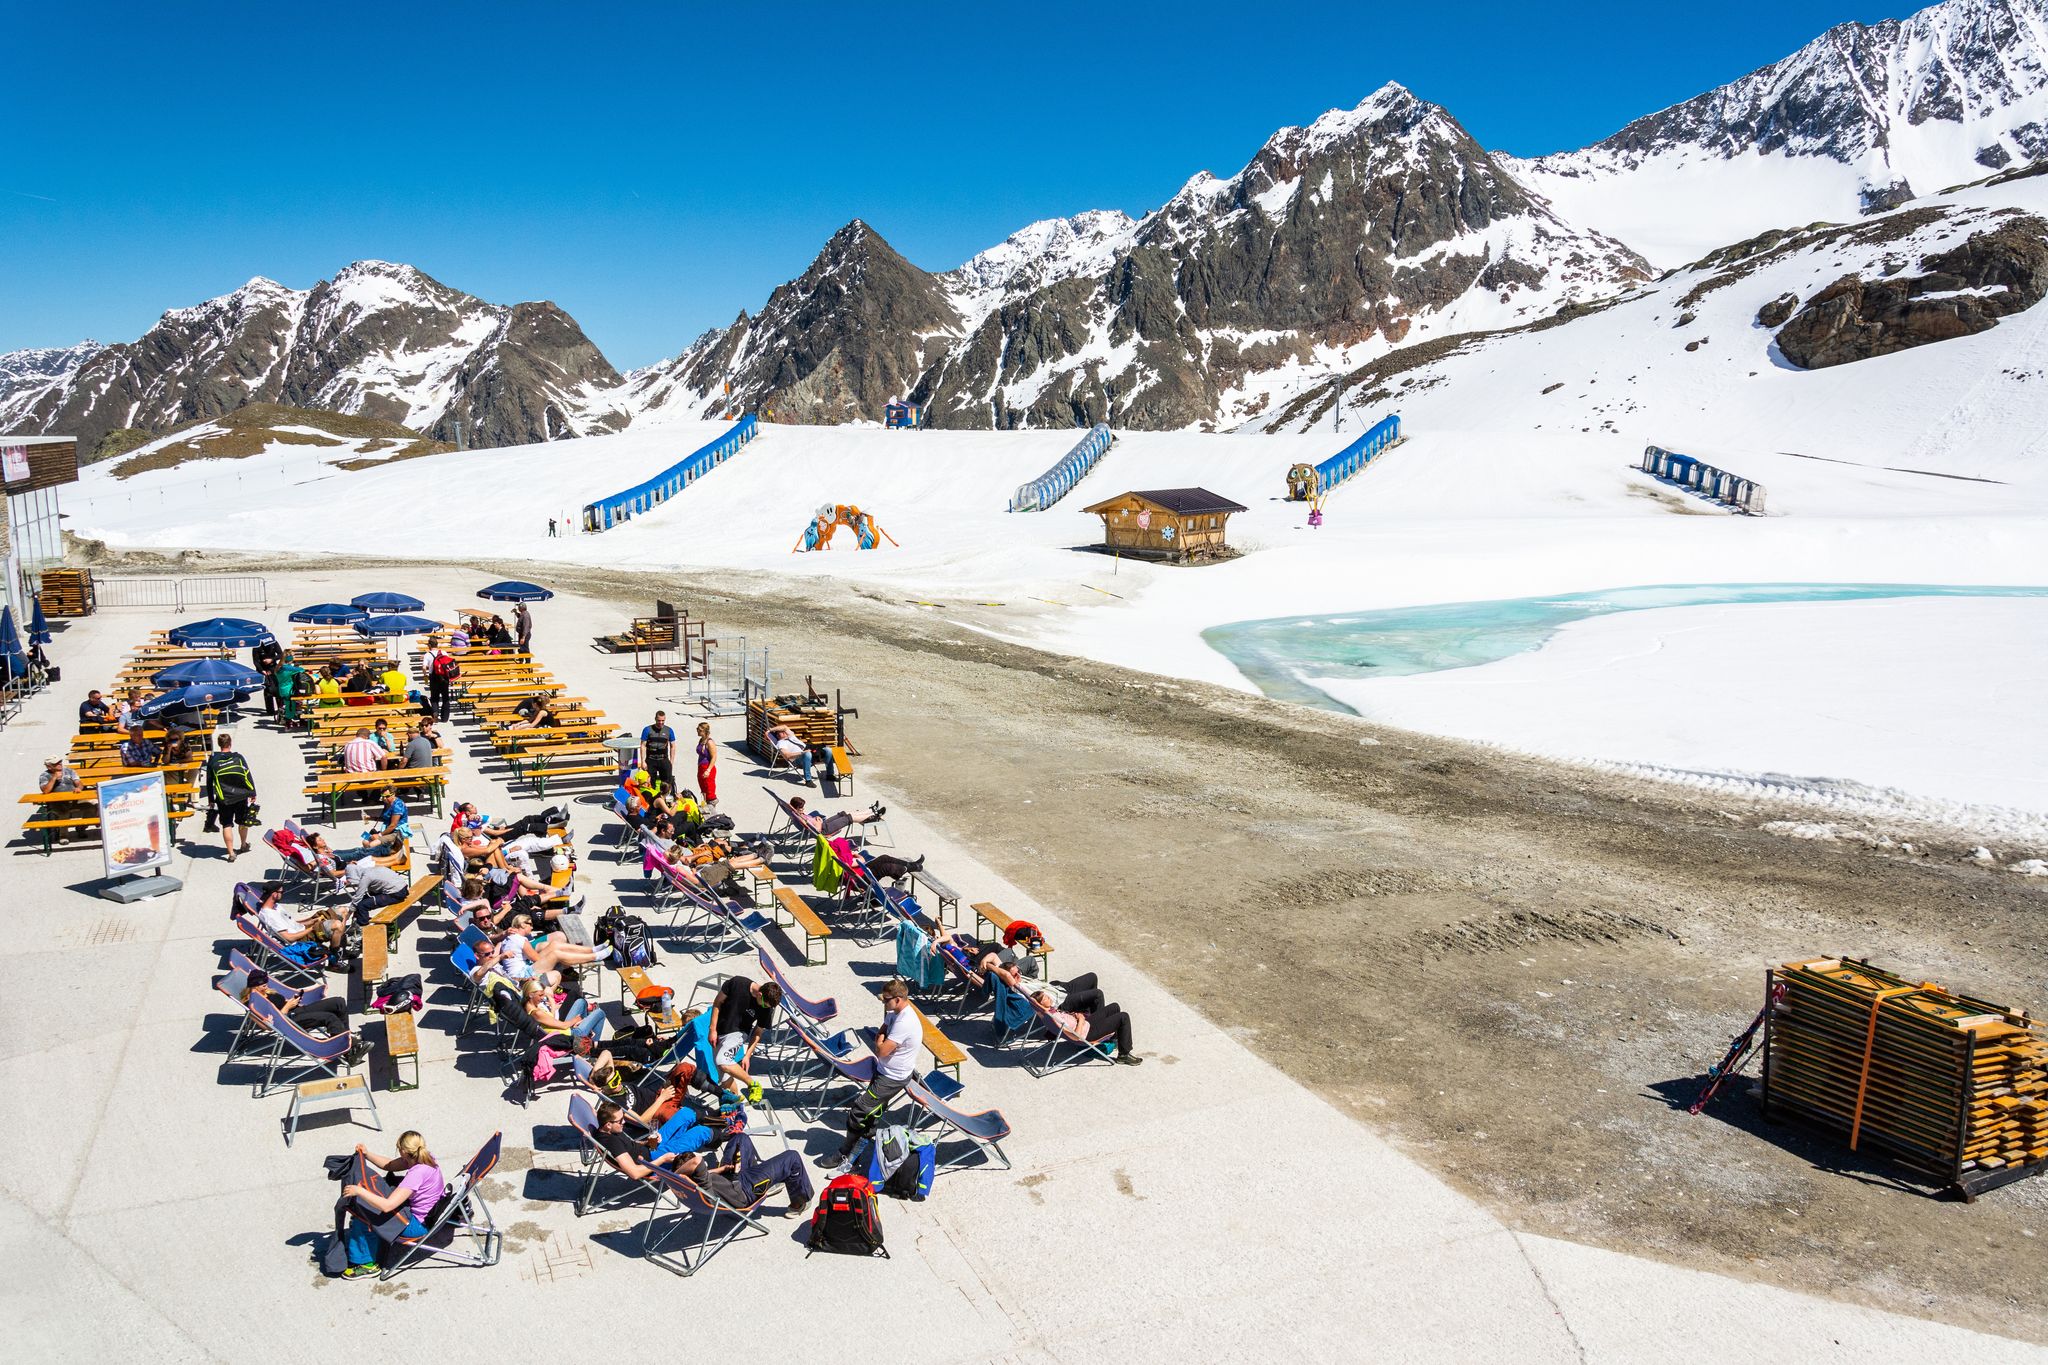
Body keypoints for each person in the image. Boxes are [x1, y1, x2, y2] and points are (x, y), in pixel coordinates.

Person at [830, 978, 921, 1167]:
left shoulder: (906, 1021)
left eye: (885, 999)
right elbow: (883, 1030)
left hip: (893, 1077)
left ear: (898, 999)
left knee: (858, 1111)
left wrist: (880, 1044)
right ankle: (860, 1149)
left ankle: (846, 1152)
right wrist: (881, 1041)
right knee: (873, 1113)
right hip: (884, 1070)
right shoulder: (893, 1011)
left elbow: (880, 1051)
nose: (883, 1002)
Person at [336, 1132, 445, 1279]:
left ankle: (366, 1265)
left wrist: (359, 1191)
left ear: (404, 1152)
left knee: (365, 1214)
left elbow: (387, 1206)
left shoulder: (416, 1174)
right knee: (373, 1200)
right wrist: (367, 1154)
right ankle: (364, 1246)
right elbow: (390, 1165)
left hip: (416, 1226)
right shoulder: (424, 1158)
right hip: (428, 1214)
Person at [675, 1129, 813, 1215]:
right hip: (744, 1192)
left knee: (740, 1137)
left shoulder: (690, 1182)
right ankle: (799, 1202)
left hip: (730, 1182)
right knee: (792, 1157)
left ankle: (766, 1178)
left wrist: (721, 1169)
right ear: (691, 1171)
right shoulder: (700, 1178)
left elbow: (697, 1166)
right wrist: (678, 1172)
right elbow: (697, 1161)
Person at [241, 968, 358, 1060]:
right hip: (289, 1022)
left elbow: (281, 1002)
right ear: (254, 985)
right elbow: (268, 1027)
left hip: (296, 1010)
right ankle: (346, 1048)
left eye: (266, 983)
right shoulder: (252, 1004)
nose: (266, 985)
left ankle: (347, 1038)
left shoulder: (266, 992)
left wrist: (292, 1001)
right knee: (330, 1018)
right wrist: (287, 1007)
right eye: (263, 984)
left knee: (339, 1002)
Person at [590, 1099, 717, 1177]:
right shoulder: (611, 1142)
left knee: (686, 1113)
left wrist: (648, 1142)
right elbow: (635, 1173)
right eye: (620, 1120)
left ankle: (719, 1125)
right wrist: (663, 1159)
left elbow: (631, 1145)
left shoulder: (610, 1129)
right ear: (608, 1125)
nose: (624, 1122)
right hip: (654, 1162)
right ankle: (723, 1134)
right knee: (701, 1132)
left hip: (651, 1148)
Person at [1033, 973, 1141, 1064]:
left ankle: (1115, 1041)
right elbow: (1076, 1036)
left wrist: (1075, 1016)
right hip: (1087, 1034)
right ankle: (1124, 1054)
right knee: (1123, 1017)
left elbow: (1035, 1005)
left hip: (1085, 1025)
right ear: (1041, 1004)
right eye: (1046, 998)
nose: (1049, 997)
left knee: (1114, 1007)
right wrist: (1081, 1019)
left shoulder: (1047, 1013)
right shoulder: (1054, 1017)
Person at [709, 975, 782, 1104]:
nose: (766, 1008)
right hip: (720, 1030)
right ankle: (735, 1106)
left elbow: (758, 1032)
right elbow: (717, 1002)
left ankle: (753, 1084)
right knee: (724, 1077)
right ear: (760, 994)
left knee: (722, 1061)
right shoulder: (737, 983)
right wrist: (712, 1029)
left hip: (738, 1034)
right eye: (765, 1005)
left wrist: (748, 1055)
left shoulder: (766, 1009)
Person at [253, 880, 346, 959]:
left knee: (342, 911)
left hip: (304, 928)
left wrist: (310, 921)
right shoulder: (270, 916)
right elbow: (289, 938)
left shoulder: (275, 906)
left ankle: (340, 947)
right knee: (337, 926)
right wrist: (312, 928)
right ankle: (334, 958)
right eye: (281, 892)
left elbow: (291, 923)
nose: (282, 894)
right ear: (274, 894)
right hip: (302, 939)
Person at [205, 733, 258, 862]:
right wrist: (252, 792)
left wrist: (211, 800)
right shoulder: (238, 757)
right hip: (240, 795)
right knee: (242, 821)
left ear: (219, 744)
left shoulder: (213, 761)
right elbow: (247, 774)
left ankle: (231, 853)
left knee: (227, 824)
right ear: (230, 743)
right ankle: (243, 845)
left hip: (224, 798)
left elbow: (209, 781)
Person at [37, 755, 90, 836]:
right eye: (56, 763)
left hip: (74, 799)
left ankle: (81, 827)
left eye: (60, 762)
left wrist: (79, 788)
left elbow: (79, 783)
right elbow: (45, 790)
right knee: (63, 813)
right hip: (57, 802)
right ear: (49, 766)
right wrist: (54, 778)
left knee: (92, 807)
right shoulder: (44, 776)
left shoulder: (69, 771)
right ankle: (63, 835)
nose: (59, 764)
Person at [788, 795, 886, 838]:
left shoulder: (795, 813)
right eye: (801, 808)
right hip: (824, 830)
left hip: (822, 824)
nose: (803, 809)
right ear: (795, 808)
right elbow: (816, 831)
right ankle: (874, 815)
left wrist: (816, 819)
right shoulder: (800, 818)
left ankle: (871, 810)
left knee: (843, 813)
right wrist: (818, 822)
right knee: (849, 818)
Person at [344, 858, 410, 921]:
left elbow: (358, 897)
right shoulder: (369, 870)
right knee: (364, 900)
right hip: (402, 888)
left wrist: (349, 914)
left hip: (397, 894)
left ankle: (363, 925)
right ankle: (359, 919)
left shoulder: (366, 877)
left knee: (362, 905)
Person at [639, 711, 676, 796]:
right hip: (651, 759)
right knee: (650, 782)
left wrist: (671, 761)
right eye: (659, 720)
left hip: (663, 759)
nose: (661, 723)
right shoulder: (647, 730)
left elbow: (673, 746)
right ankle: (652, 800)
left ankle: (665, 799)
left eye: (663, 720)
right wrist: (643, 761)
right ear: (655, 719)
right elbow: (643, 745)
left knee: (667, 782)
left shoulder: (669, 730)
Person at [252, 637, 283, 715]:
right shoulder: (257, 645)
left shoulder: (273, 642)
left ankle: (280, 708)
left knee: (277, 688)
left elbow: (281, 654)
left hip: (273, 667)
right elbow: (255, 661)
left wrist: (272, 659)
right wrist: (262, 670)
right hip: (263, 668)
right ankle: (270, 710)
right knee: (268, 689)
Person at [426, 645, 458, 720]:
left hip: (433, 678)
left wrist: (425, 675)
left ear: (429, 645)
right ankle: (445, 718)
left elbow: (424, 667)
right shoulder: (444, 652)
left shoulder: (427, 654)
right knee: (445, 698)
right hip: (444, 678)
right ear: (437, 644)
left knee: (434, 698)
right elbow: (448, 664)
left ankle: (435, 713)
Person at [695, 721, 719, 804]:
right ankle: (706, 804)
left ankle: (712, 806)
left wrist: (708, 770)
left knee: (709, 789)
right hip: (701, 767)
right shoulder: (701, 740)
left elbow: (714, 756)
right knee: (703, 789)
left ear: (705, 731)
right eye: (697, 729)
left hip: (707, 768)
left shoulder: (709, 742)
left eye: (699, 730)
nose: (697, 731)